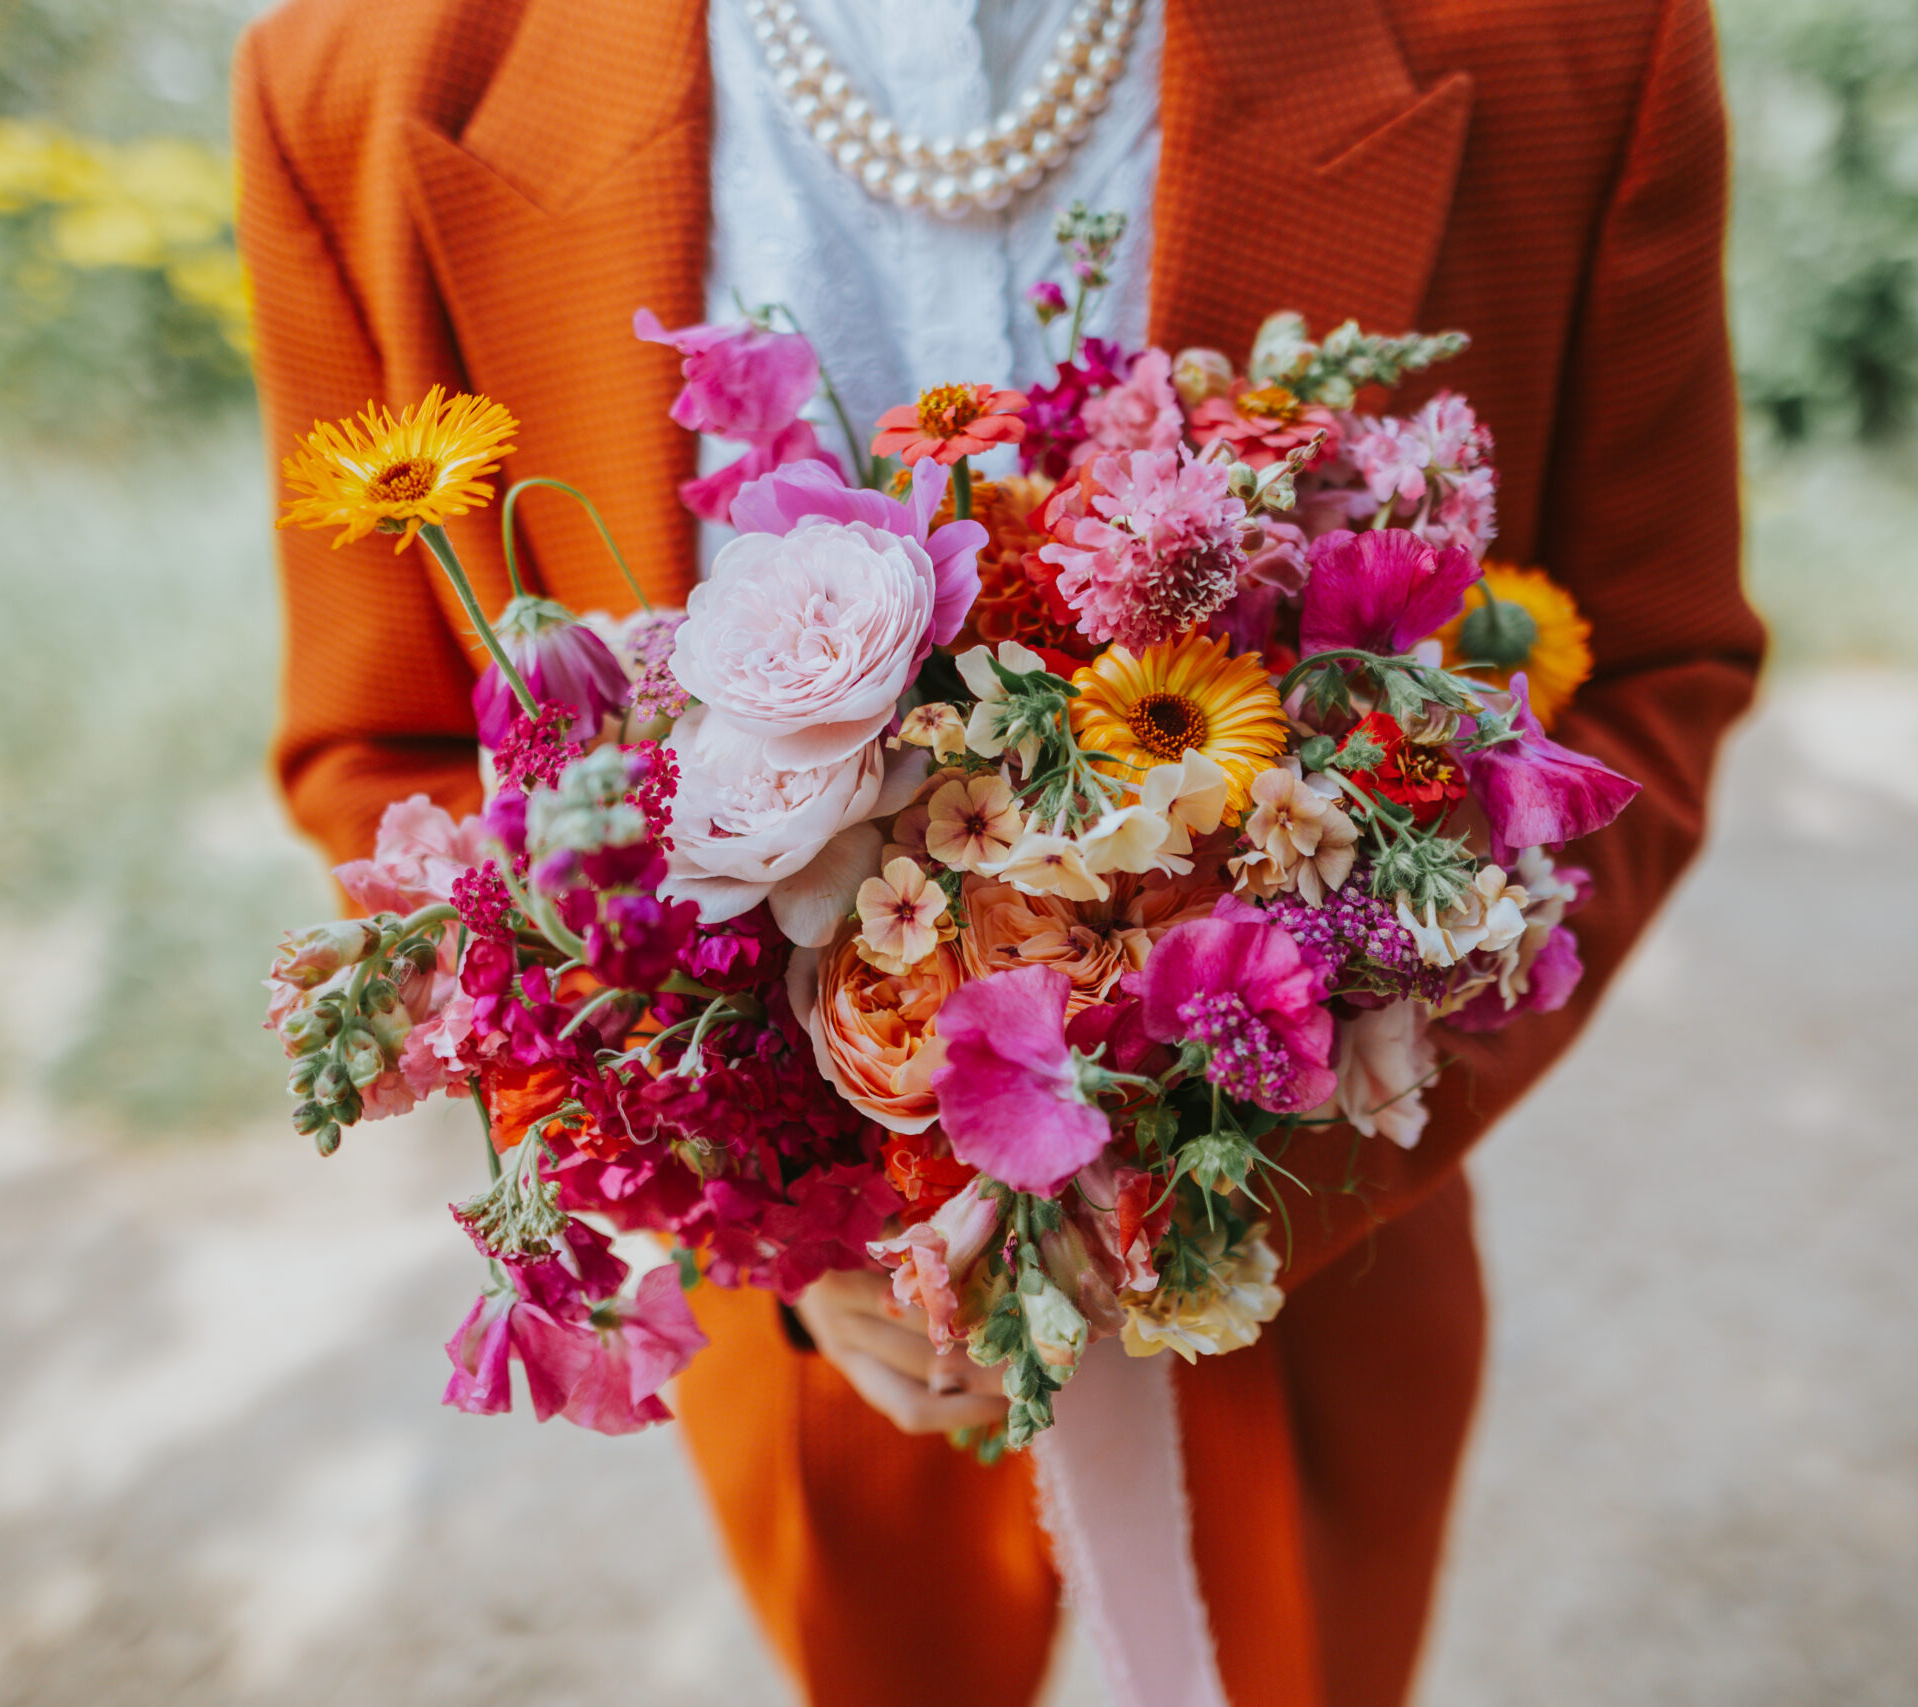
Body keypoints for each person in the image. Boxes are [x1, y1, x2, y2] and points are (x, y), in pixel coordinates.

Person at [232, 0, 1764, 1701]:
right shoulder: (362, 88)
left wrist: (1258, 1169)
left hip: (1306, 1253)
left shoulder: (1579, 40)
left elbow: (1651, 670)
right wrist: (756, 1213)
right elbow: (399, 756)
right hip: (819, 1314)